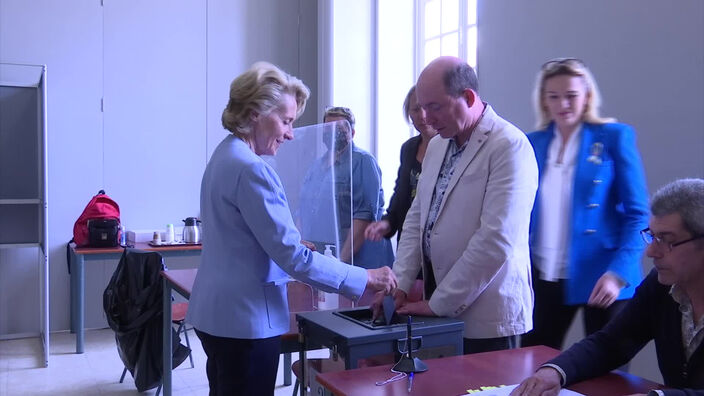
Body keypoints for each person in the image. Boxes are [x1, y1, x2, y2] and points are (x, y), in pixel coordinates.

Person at [185, 62, 397, 396]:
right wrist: (365, 277)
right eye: (285, 121)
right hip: (246, 321)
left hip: (218, 314)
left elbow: (248, 236)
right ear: (256, 113)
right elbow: (293, 258)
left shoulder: (225, 154)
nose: (290, 133)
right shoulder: (253, 169)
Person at [375, 56, 539, 354]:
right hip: (437, 305)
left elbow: (496, 240)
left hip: (488, 316)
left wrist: (438, 303)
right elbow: (416, 220)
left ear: (468, 97)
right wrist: (399, 285)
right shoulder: (437, 145)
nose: (425, 117)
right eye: (421, 107)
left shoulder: (510, 146)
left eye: (434, 107)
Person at [511, 178, 704, 396]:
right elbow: (610, 343)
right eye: (652, 236)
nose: (651, 252)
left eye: (666, 240)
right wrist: (554, 371)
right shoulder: (661, 287)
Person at [521, 58, 649, 351]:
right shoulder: (531, 143)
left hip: (603, 276)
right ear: (543, 100)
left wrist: (618, 274)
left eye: (571, 95)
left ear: (587, 96)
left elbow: (639, 215)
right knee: (532, 360)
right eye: (553, 96)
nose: (562, 104)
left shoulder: (615, 137)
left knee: (605, 368)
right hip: (543, 273)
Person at [301, 106, 394, 269]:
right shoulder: (316, 166)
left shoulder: (363, 161)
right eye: (328, 128)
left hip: (358, 262)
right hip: (325, 256)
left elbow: (363, 217)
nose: (332, 132)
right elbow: (304, 210)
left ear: (352, 133)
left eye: (339, 128)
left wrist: (340, 264)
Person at [365, 85, 438, 244]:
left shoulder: (452, 146)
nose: (423, 116)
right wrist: (387, 222)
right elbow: (401, 194)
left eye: (428, 108)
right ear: (409, 114)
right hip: (410, 242)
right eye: (416, 109)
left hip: (439, 243)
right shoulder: (409, 148)